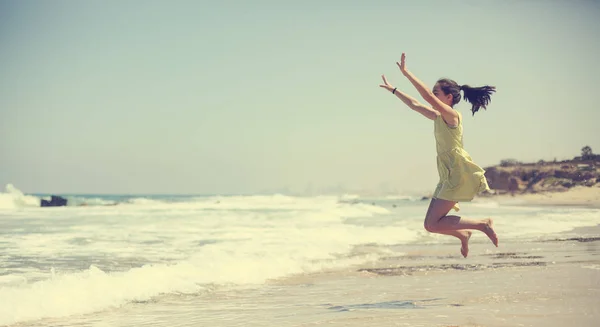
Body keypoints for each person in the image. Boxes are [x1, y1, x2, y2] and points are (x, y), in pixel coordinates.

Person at [379, 53, 498, 258]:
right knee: (431, 225)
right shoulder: (437, 117)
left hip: (457, 173)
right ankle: (463, 234)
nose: (433, 96)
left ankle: (482, 224)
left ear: (448, 98)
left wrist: (407, 74)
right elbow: (416, 104)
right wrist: (394, 91)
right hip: (447, 173)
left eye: (437, 93)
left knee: (432, 224)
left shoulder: (453, 116)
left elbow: (425, 97)